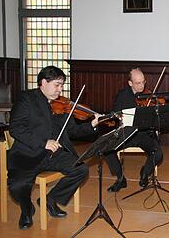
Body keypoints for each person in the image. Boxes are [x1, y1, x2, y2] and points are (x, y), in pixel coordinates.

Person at [7, 66, 101, 230]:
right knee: (16, 187)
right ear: (44, 82)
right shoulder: (26, 99)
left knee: (81, 170)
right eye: (57, 85)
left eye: (62, 85)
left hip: (54, 154)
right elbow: (16, 127)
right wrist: (43, 142)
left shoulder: (62, 105)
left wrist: (92, 124)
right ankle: (27, 209)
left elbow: (73, 131)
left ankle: (49, 200)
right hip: (28, 154)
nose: (60, 89)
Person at [105, 68, 163, 192]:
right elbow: (115, 113)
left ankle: (145, 173)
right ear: (130, 83)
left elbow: (157, 117)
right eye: (138, 83)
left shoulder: (149, 95)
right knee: (107, 150)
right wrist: (118, 117)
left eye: (143, 82)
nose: (142, 86)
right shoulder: (122, 95)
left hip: (144, 134)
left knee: (158, 154)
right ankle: (120, 179)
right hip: (127, 133)